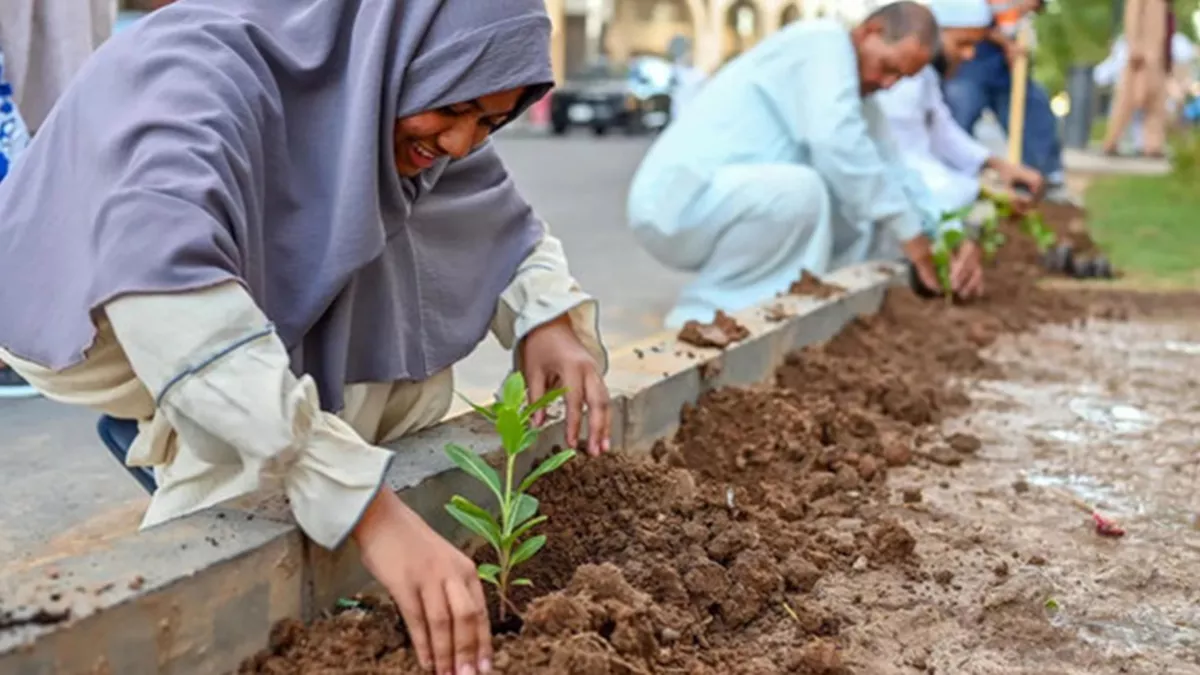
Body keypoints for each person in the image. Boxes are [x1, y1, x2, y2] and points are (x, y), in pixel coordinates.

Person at [0, 1, 611, 674]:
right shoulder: (200, 68)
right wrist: (368, 510)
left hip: (222, 306)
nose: (462, 142)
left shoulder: (379, 77)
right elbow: (168, 298)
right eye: (456, 111)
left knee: (389, 385)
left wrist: (547, 315)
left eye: (490, 122)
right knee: (242, 456)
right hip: (128, 312)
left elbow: (486, 204)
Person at [627, 1, 971, 328]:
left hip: (722, 202)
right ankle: (706, 317)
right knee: (805, 191)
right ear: (870, 31)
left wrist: (942, 234)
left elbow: (894, 170)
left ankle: (785, 314)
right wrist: (910, 233)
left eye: (901, 78)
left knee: (866, 212)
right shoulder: (822, 43)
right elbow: (838, 145)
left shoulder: (860, 96)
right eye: (887, 67)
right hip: (675, 204)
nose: (887, 84)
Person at [877, 0, 1044, 229]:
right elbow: (911, 165)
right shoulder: (901, 82)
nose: (969, 55)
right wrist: (985, 192)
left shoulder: (926, 78)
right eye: (963, 43)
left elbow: (942, 130)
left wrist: (998, 166)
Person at [941, 0, 1073, 204]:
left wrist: (1015, 43)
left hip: (1004, 60)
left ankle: (1044, 178)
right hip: (976, 54)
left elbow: (1024, 13)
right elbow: (968, 23)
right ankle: (951, 180)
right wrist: (1005, 43)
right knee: (958, 114)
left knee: (1033, 111)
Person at [1102, 0, 1172, 157]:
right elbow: (1132, 16)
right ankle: (1112, 141)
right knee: (1129, 99)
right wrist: (1134, 44)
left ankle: (1153, 145)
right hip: (1142, 56)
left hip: (1156, 55)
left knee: (1156, 101)